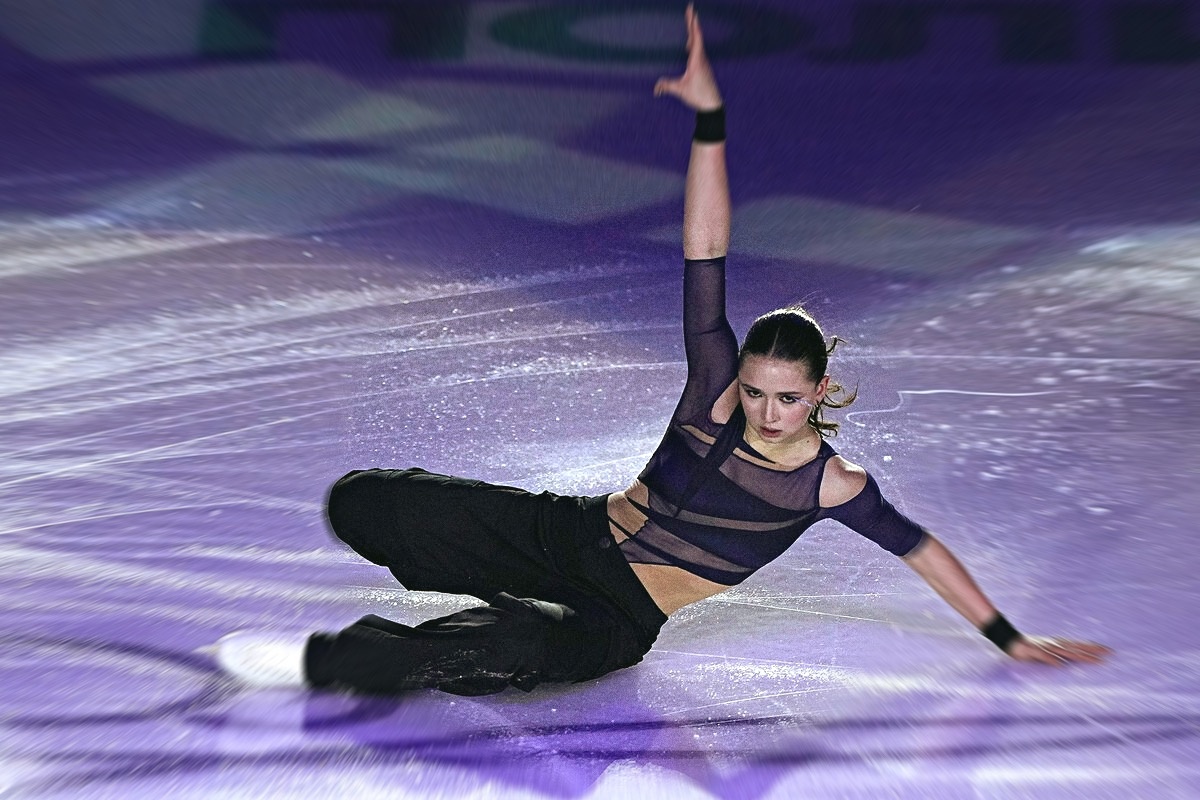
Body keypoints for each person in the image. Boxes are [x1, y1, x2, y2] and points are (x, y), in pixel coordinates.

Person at [215, 5, 1109, 693]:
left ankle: (328, 662)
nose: (764, 411)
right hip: (569, 534)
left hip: (619, 614)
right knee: (366, 503)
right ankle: (494, 580)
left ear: (820, 391)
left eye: (786, 398)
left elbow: (922, 550)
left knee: (507, 648)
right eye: (755, 391)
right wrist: (709, 121)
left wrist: (1009, 638)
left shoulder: (831, 486)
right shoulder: (712, 387)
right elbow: (703, 249)